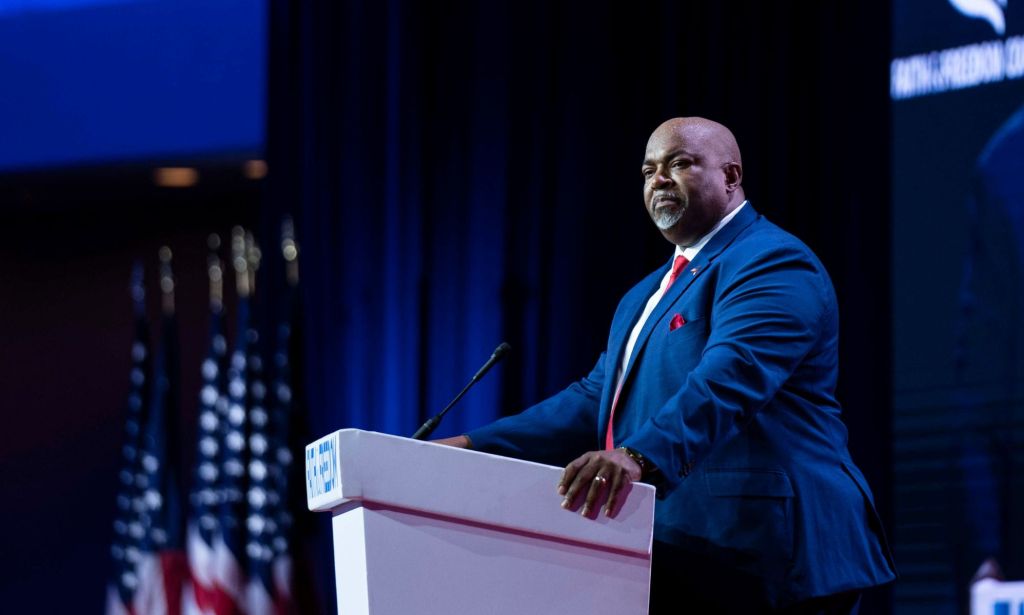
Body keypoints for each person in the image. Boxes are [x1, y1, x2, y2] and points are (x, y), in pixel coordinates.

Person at [437, 117, 896, 613]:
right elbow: (594, 397)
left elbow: (732, 376)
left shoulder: (772, 261)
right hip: (681, 552)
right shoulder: (646, 294)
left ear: (731, 176)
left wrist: (637, 455)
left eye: (680, 163)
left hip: (770, 551)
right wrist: (470, 446)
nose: (658, 179)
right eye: (648, 169)